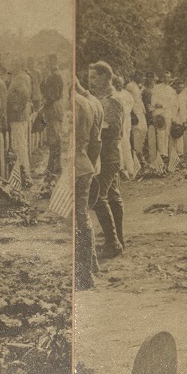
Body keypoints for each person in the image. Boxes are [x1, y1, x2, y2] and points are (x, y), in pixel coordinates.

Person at [88, 61, 124, 257]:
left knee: (99, 197)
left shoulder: (112, 101)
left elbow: (113, 129)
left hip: (108, 154)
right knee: (112, 196)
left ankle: (112, 243)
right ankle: (118, 238)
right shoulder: (100, 99)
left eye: (94, 77)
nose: (91, 82)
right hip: (105, 154)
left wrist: (92, 131)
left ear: (105, 77)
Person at [74, 77, 100, 290]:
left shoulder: (72, 105)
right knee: (83, 216)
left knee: (77, 219)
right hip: (85, 163)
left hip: (73, 166)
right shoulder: (88, 103)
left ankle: (85, 274)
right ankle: (91, 264)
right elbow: (96, 141)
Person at [6, 54, 33, 180]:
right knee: (20, 144)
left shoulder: (19, 78)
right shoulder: (20, 77)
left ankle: (23, 174)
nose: (8, 66)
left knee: (19, 145)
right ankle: (23, 173)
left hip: (18, 116)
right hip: (20, 116)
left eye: (11, 64)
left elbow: (24, 94)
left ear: (17, 66)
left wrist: (18, 108)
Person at [40, 54, 65, 176]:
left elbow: (52, 95)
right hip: (56, 105)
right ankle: (54, 164)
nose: (45, 64)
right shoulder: (55, 75)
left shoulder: (53, 76)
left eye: (47, 62)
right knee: (55, 135)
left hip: (53, 106)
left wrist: (45, 102)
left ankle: (53, 166)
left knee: (53, 136)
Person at [151, 72, 177, 164]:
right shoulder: (156, 88)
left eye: (168, 77)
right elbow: (154, 102)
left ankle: (166, 153)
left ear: (170, 79)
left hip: (167, 113)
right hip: (159, 114)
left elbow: (172, 104)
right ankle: (161, 153)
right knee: (160, 133)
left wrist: (162, 105)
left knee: (167, 133)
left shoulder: (171, 90)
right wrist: (157, 107)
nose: (166, 79)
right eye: (165, 77)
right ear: (162, 78)